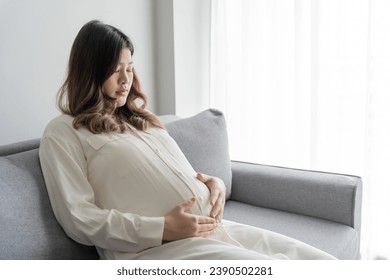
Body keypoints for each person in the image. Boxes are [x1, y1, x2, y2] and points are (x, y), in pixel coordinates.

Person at [39, 20, 335, 260]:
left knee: (324, 264)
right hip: (159, 252)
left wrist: (212, 184)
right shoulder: (64, 132)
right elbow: (79, 219)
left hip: (215, 229)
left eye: (129, 68)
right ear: (89, 73)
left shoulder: (142, 122)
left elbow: (180, 176)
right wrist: (162, 229)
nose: (126, 79)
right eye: (115, 70)